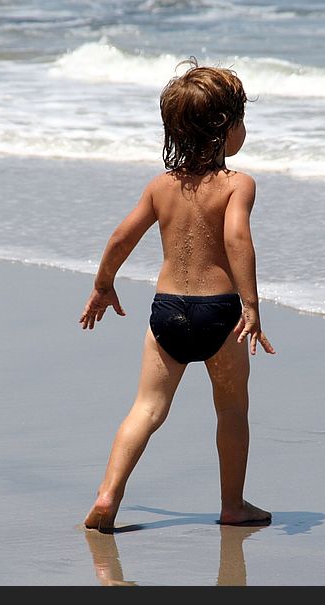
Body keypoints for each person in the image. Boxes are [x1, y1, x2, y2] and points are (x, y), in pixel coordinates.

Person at [79, 60, 275, 531]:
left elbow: (122, 237)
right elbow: (237, 240)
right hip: (220, 314)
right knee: (231, 410)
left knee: (145, 410)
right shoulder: (237, 185)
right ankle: (233, 505)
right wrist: (251, 304)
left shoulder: (161, 186)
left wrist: (103, 284)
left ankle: (107, 496)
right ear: (226, 129)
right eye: (241, 119)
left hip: (167, 312)